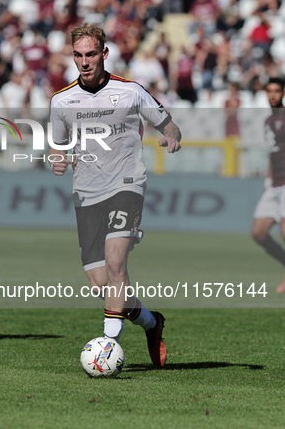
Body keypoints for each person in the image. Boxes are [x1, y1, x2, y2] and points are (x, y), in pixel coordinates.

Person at [49, 24, 182, 368]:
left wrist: (171, 136)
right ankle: (152, 323)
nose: (84, 61)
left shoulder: (130, 91)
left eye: (91, 54)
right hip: (86, 193)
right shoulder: (62, 101)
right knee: (100, 284)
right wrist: (58, 159)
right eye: (78, 55)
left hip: (126, 184)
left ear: (104, 54)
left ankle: (106, 350)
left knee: (116, 261)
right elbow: (58, 144)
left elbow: (168, 123)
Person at [251, 78, 285, 293]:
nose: (272, 95)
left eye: (277, 91)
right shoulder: (267, 121)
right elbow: (273, 154)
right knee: (258, 233)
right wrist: (268, 181)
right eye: (269, 91)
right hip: (275, 184)